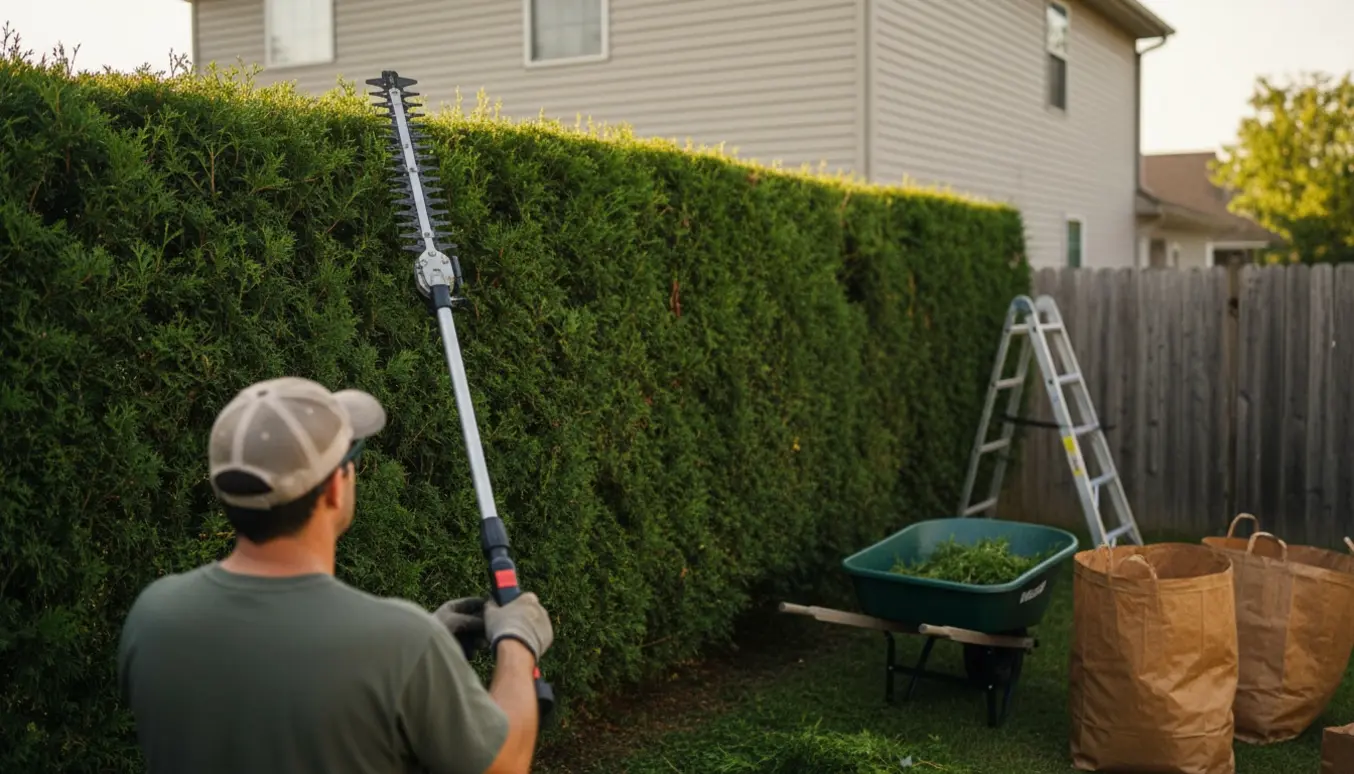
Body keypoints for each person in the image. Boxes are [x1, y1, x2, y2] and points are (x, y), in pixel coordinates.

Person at [117, 376, 553, 774]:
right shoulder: (400, 645)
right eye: (351, 459)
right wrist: (517, 643)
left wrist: (418, 661)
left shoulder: (154, 616)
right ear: (333, 488)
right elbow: (505, 764)